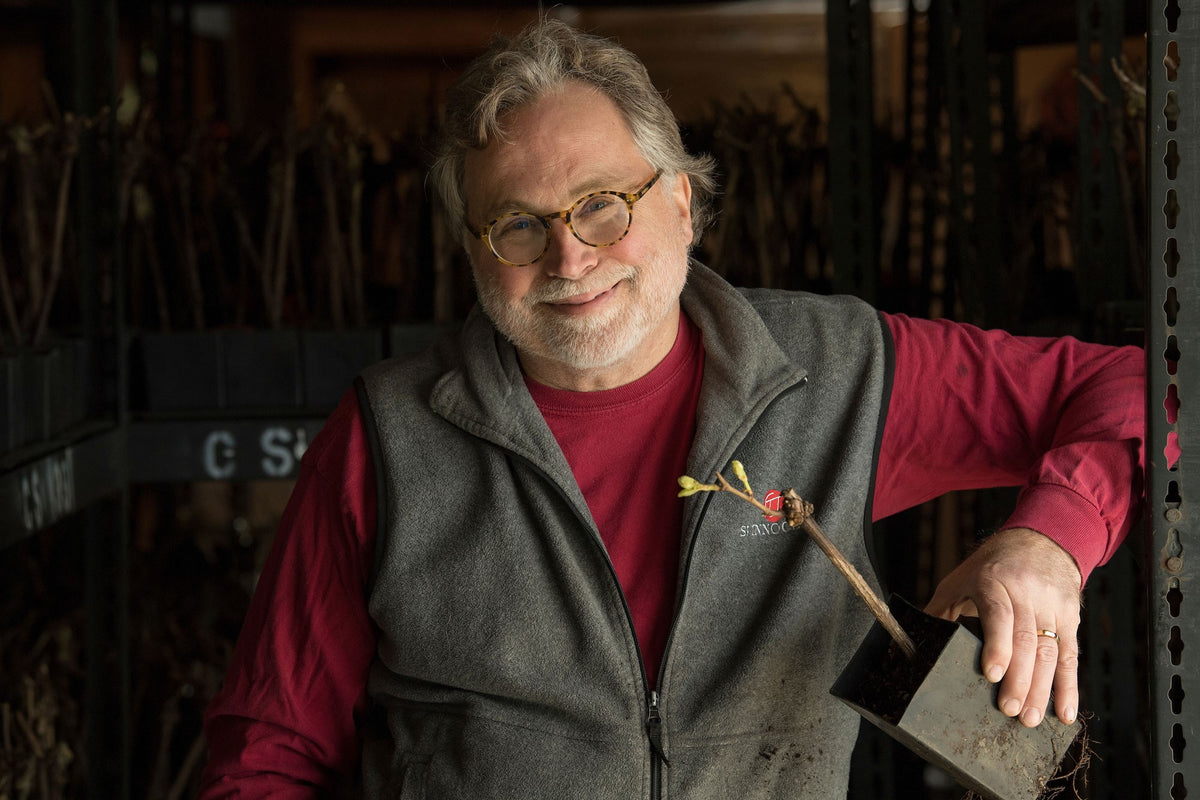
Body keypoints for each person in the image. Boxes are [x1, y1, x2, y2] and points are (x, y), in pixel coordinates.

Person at [198, 17, 1144, 799]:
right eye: (518, 224)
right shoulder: (385, 444)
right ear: (474, 248)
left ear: (683, 205)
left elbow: (1140, 388)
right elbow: (264, 759)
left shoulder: (840, 375)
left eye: (603, 204)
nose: (569, 259)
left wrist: (1049, 541)